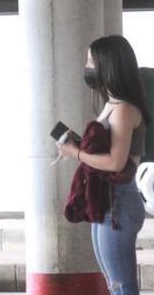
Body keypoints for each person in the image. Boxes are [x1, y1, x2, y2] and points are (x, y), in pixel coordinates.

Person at [57, 35, 148, 295]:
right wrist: (77, 147)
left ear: (109, 65)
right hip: (107, 202)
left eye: (91, 61)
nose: (87, 67)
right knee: (113, 283)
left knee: (122, 285)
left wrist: (76, 153)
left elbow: (116, 162)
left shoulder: (123, 110)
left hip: (118, 203)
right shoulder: (112, 104)